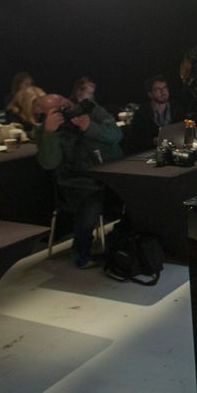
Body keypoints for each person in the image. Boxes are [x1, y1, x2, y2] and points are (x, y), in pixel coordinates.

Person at [33, 93, 123, 268]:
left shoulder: (91, 110)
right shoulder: (45, 131)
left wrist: (90, 127)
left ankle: (123, 240)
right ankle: (82, 253)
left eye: (65, 103)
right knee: (90, 200)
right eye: (58, 109)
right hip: (77, 182)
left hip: (113, 172)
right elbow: (49, 162)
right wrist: (49, 132)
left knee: (138, 194)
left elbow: (116, 135)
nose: (66, 109)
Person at [129, 75, 182, 152]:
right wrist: (152, 141)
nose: (163, 92)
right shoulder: (142, 113)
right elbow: (135, 139)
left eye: (164, 88)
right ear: (150, 94)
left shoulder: (176, 108)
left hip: (176, 148)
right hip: (151, 151)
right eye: (157, 89)